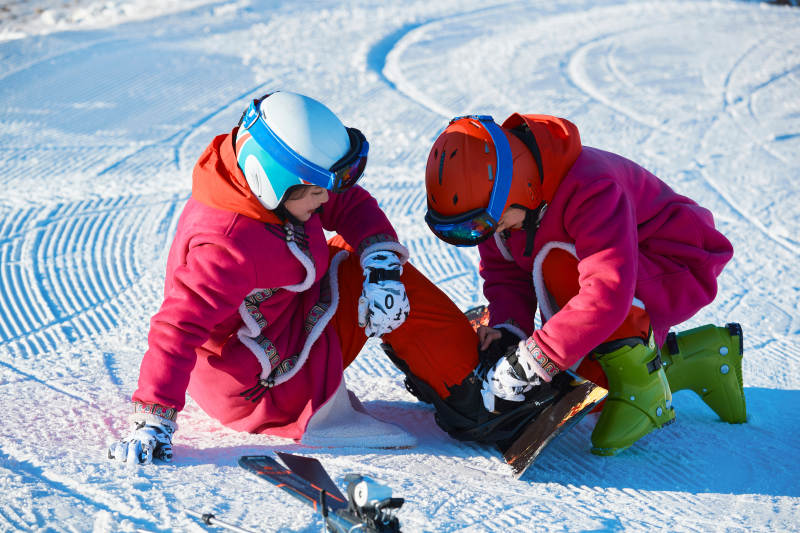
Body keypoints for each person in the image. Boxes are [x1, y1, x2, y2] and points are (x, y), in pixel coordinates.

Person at [107, 91, 484, 464]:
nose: (325, 200)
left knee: (372, 269)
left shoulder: (265, 188)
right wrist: (153, 419)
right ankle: (478, 394)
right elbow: (177, 326)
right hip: (264, 384)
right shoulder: (226, 245)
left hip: (284, 323)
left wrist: (382, 264)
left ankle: (447, 352)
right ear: (272, 179)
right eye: (317, 192)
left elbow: (348, 202)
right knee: (368, 277)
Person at [421, 113, 747, 455]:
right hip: (612, 273)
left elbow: (606, 293)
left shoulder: (592, 190)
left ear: (519, 187)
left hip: (675, 262)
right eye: (465, 230)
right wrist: (510, 329)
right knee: (593, 387)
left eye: (478, 225)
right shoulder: (498, 210)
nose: (478, 234)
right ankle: (705, 354)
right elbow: (505, 274)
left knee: (562, 266)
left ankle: (644, 390)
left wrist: (539, 357)